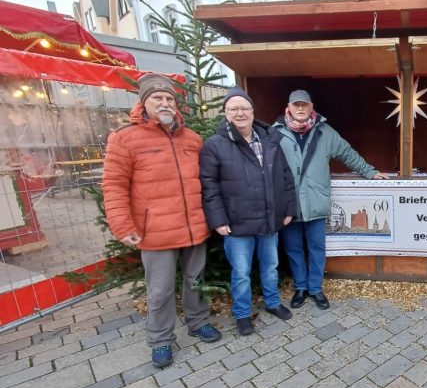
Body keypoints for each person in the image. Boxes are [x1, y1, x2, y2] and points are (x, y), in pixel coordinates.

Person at [102, 73, 221, 368]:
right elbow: (114, 185)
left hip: (194, 227)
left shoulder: (192, 139)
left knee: (197, 281)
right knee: (160, 290)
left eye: (170, 99)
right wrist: (123, 225)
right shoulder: (125, 139)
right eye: (158, 98)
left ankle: (198, 321)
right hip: (155, 231)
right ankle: (161, 340)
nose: (165, 103)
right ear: (144, 103)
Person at [274, 89, 388, 310]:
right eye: (296, 105)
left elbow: (347, 153)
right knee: (293, 249)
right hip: (289, 204)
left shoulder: (325, 132)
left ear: (311, 107)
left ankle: (315, 289)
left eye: (304, 105)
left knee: (317, 248)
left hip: (316, 201)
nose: (300, 109)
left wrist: (369, 171)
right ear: (288, 107)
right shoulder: (276, 132)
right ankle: (300, 287)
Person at [200, 87, 297, 333]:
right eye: (234, 108)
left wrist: (289, 208)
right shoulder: (215, 145)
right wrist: (218, 220)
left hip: (269, 218)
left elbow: (285, 177)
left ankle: (273, 302)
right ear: (225, 113)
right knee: (241, 272)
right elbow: (208, 186)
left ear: (253, 112)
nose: (240, 113)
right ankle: (242, 314)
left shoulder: (269, 140)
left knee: (270, 266)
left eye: (244, 108)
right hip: (236, 222)